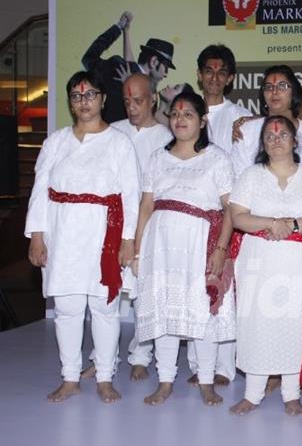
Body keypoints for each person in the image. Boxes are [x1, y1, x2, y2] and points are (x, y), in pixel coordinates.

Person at [25, 70, 139, 403]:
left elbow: (131, 194)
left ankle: (104, 376)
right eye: (77, 96)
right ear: (70, 102)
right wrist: (37, 235)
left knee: (104, 308)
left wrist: (128, 240)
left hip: (104, 234)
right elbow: (39, 192)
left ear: (103, 98)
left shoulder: (119, 142)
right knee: (67, 307)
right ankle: (70, 377)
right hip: (62, 235)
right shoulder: (56, 141)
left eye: (90, 95)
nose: (84, 102)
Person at [133, 90, 235, 406]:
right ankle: (165, 381)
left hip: (200, 245)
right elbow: (146, 206)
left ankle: (206, 381)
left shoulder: (217, 158)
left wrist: (220, 249)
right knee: (163, 310)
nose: (179, 119)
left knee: (201, 311)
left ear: (202, 121)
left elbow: (230, 209)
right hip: (160, 245)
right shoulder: (157, 157)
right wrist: (137, 251)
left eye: (188, 114)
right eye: (175, 114)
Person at [228, 115, 302, 417]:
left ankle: (290, 394)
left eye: (283, 134)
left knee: (293, 324)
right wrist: (272, 224)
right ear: (262, 143)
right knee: (257, 324)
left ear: (294, 140)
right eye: (270, 136)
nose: (276, 140)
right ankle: (252, 394)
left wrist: (292, 224)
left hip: (299, 265)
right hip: (258, 263)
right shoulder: (251, 175)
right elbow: (238, 217)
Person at [81, 73, 174, 382]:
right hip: (108, 226)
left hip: (149, 226)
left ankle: (140, 355)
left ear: (153, 99)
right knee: (104, 292)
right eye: (126, 101)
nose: (132, 107)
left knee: (143, 293)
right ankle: (102, 357)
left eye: (139, 100)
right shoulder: (112, 132)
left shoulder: (166, 138)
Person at [185, 44, 251, 388]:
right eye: (208, 70)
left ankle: (225, 366)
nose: (214, 77)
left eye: (221, 72)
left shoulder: (241, 117)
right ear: (199, 74)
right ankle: (199, 364)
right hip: (191, 218)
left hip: (227, 216)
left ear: (230, 78)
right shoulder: (183, 113)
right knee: (196, 290)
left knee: (225, 291)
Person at [82, 11, 175, 123]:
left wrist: (121, 28)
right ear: (154, 61)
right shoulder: (119, 68)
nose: (166, 73)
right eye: (165, 67)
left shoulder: (148, 90)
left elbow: (89, 58)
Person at [231, 65, 302, 177]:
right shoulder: (246, 130)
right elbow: (238, 176)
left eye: (282, 86)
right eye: (268, 87)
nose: (274, 92)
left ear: (294, 92)